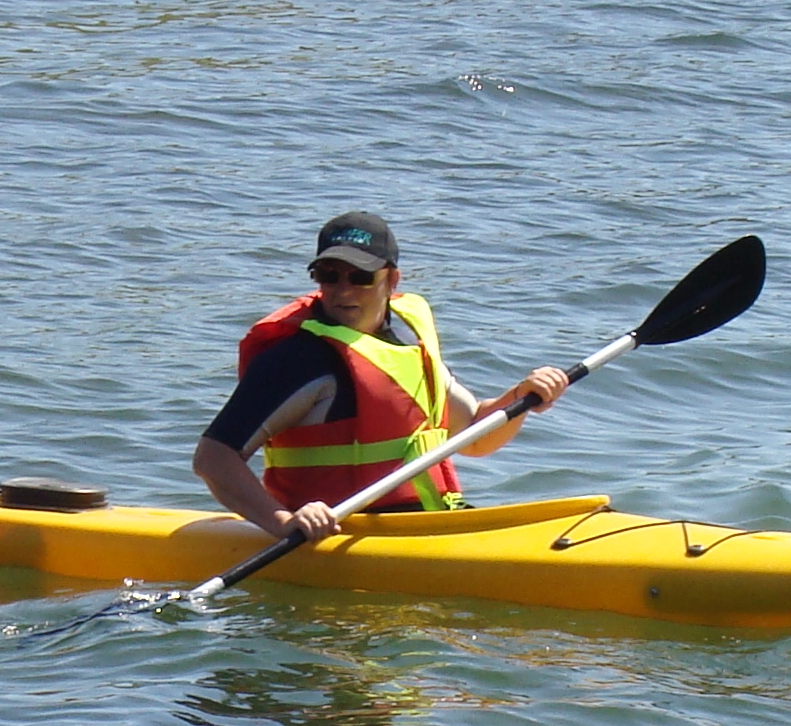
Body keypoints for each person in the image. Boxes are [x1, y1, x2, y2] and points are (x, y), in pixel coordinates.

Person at [193, 213, 571, 541]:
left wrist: (520, 399)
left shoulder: (407, 337)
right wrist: (283, 522)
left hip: (427, 526)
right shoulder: (298, 360)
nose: (343, 290)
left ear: (392, 280)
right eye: (328, 275)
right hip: (336, 538)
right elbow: (213, 457)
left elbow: (473, 435)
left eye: (360, 277)